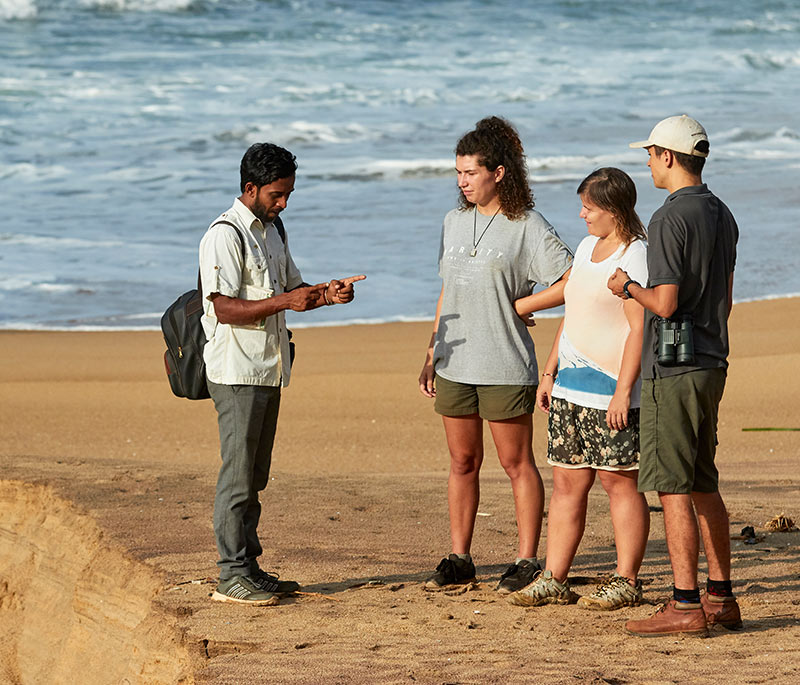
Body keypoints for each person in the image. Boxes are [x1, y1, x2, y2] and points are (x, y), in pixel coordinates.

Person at [199, 142, 365, 605]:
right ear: (250, 188)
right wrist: (286, 302)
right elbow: (224, 308)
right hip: (236, 369)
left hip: (269, 367)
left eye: (289, 193)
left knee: (255, 475)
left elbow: (292, 289)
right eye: (277, 194)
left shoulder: (274, 229)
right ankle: (231, 575)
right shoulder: (224, 234)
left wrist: (328, 294)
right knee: (238, 476)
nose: (284, 202)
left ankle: (248, 567)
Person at [418, 116, 573, 594]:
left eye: (471, 172)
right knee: (462, 462)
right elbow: (449, 289)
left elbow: (572, 281)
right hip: (454, 363)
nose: (462, 182)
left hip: (505, 363)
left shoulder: (527, 226)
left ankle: (527, 559)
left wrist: (522, 304)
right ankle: (460, 556)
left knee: (515, 463)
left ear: (499, 172)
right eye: (458, 172)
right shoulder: (453, 221)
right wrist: (431, 350)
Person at [608, 115, 740, 636]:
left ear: (667, 156)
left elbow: (663, 302)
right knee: (703, 478)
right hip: (711, 359)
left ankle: (685, 605)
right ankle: (721, 598)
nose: (646, 162)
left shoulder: (668, 219)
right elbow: (725, 299)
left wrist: (626, 287)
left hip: (675, 366)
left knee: (672, 486)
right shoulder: (722, 213)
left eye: (650, 153)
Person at [507, 167, 651, 610]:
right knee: (567, 485)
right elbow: (573, 314)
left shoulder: (636, 254)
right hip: (570, 385)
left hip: (611, 389)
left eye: (589, 207)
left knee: (618, 485)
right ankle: (554, 578)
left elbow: (637, 328)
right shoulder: (588, 247)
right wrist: (550, 372)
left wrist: (623, 392)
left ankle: (626, 580)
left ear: (613, 209)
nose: (582, 214)